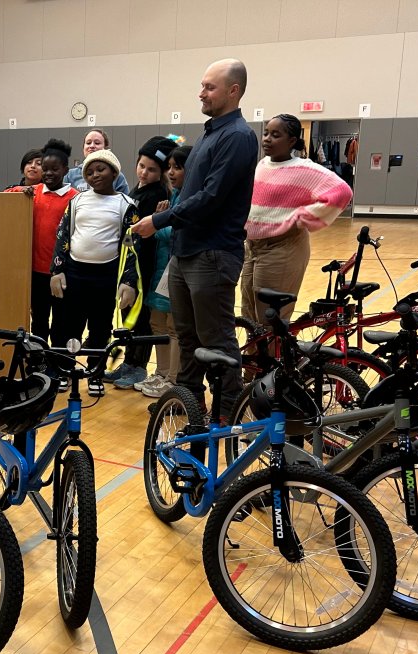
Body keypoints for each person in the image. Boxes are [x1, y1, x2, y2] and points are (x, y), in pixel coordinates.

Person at [131, 58, 259, 420]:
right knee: (187, 336)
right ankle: (187, 400)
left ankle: (230, 412)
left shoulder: (237, 136)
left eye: (209, 87)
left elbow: (211, 197)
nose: (201, 93)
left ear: (233, 91)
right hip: (187, 251)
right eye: (202, 85)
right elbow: (191, 194)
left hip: (213, 253)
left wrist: (159, 220)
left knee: (217, 340)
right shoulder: (211, 132)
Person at [241, 114, 353, 324]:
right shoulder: (263, 164)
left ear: (292, 141)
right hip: (252, 248)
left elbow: (342, 191)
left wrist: (303, 217)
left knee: (270, 317)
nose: (267, 139)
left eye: (275, 135)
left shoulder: (304, 168)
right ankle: (253, 356)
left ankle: (274, 357)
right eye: (266, 133)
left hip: (282, 248)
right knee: (249, 314)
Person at [50, 149, 140, 397]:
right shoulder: (77, 201)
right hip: (75, 273)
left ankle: (95, 373)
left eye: (100, 169)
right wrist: (57, 270)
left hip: (106, 275)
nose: (94, 175)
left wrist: (128, 280)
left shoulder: (126, 205)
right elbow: (63, 236)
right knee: (71, 326)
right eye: (89, 172)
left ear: (114, 172)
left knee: (100, 327)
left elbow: (131, 246)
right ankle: (66, 370)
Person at [109, 135, 178, 390]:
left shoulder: (158, 194)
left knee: (141, 318)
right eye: (141, 166)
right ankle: (129, 360)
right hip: (128, 263)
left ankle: (139, 366)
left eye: (151, 169)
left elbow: (147, 234)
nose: (144, 172)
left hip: (144, 266)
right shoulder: (136, 190)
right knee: (129, 315)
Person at [136, 145, 191, 398]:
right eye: (169, 167)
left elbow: (179, 233)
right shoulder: (174, 195)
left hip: (175, 271)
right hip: (160, 270)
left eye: (177, 167)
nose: (171, 172)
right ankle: (161, 372)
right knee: (156, 322)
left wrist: (159, 224)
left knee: (172, 326)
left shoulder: (189, 198)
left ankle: (173, 378)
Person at [18, 139, 78, 345]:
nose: (49, 173)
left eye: (55, 169)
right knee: (39, 322)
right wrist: (22, 192)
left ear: (65, 170)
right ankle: (39, 361)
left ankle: (58, 364)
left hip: (62, 273)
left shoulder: (75, 198)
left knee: (61, 322)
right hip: (36, 273)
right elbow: (6, 198)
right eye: (45, 169)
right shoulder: (32, 193)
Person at [64, 129, 131, 195]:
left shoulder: (116, 175)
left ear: (105, 148)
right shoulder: (70, 175)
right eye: (88, 143)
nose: (92, 146)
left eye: (97, 143)